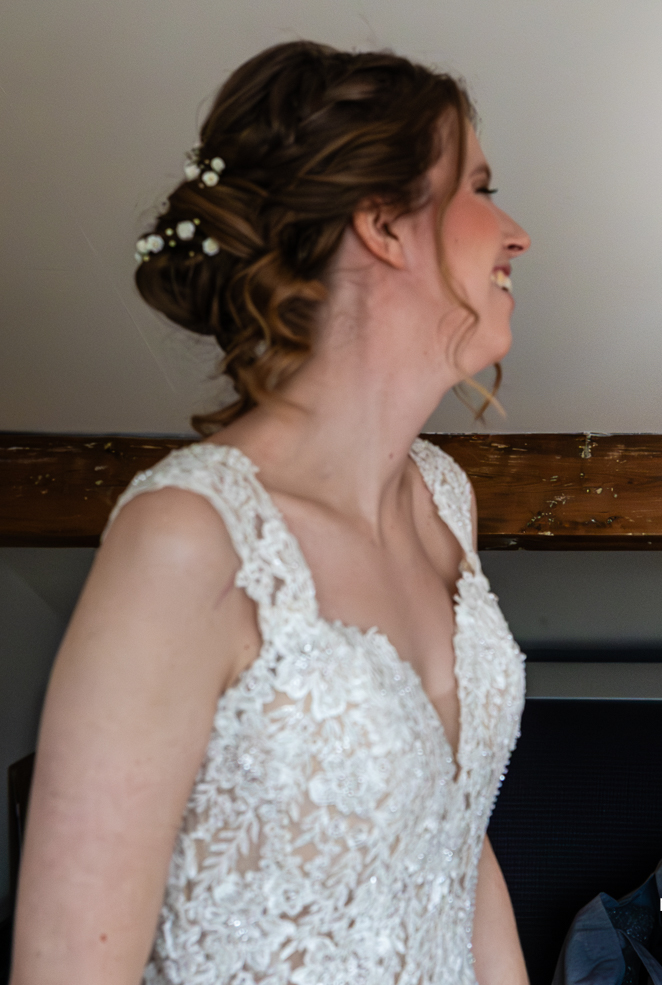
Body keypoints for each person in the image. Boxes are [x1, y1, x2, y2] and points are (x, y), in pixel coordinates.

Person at [13, 42, 530, 985]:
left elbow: (453, 841)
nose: (516, 232)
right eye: (481, 187)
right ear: (381, 221)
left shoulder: (443, 502)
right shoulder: (189, 540)